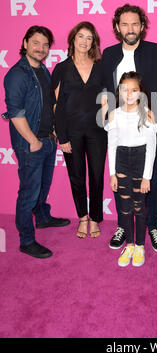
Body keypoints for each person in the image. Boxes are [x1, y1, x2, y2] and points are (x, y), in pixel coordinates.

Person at [101, 4, 157, 252]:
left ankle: (152, 226)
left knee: (149, 177)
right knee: (119, 180)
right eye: (125, 24)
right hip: (119, 127)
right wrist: (106, 117)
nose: (130, 29)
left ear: (142, 26)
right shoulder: (109, 54)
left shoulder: (156, 51)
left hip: (145, 128)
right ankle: (123, 227)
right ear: (117, 27)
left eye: (135, 24)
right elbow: (105, 91)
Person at [3, 25, 70, 259]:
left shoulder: (43, 70)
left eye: (45, 44)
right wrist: (32, 141)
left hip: (47, 139)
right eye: (36, 43)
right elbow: (15, 113)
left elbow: (48, 103)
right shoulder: (17, 74)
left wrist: (53, 133)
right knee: (28, 192)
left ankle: (42, 217)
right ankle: (26, 240)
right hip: (31, 145)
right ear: (25, 43)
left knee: (43, 186)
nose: (41, 48)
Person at [51, 22, 107, 239]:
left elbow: (107, 99)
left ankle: (94, 218)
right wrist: (62, 136)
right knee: (76, 176)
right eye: (81, 36)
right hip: (71, 133)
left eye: (89, 38)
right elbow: (56, 105)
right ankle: (82, 217)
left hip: (98, 132)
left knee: (96, 175)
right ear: (73, 39)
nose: (84, 41)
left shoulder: (101, 67)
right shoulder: (61, 68)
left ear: (93, 42)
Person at [105, 72, 157, 267]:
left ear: (141, 92)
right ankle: (129, 245)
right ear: (119, 91)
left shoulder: (148, 114)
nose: (129, 94)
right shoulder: (114, 114)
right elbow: (111, 146)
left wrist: (147, 177)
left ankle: (140, 246)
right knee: (125, 208)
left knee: (139, 207)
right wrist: (112, 173)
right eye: (125, 89)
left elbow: (151, 148)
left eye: (134, 90)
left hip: (140, 160)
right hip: (121, 162)